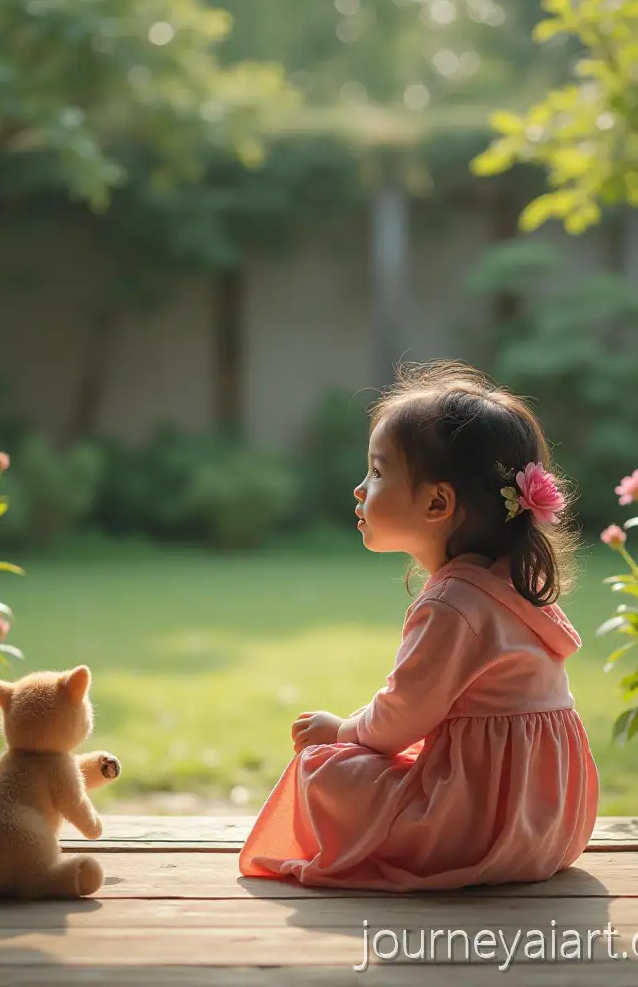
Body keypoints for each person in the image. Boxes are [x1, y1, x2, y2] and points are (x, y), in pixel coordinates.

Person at [237, 360, 599, 891]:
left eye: (378, 472)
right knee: (372, 763)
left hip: (481, 827)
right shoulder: (507, 583)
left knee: (323, 768)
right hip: (552, 823)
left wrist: (340, 730)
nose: (360, 490)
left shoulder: (454, 603)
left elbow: (400, 717)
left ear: (437, 502)